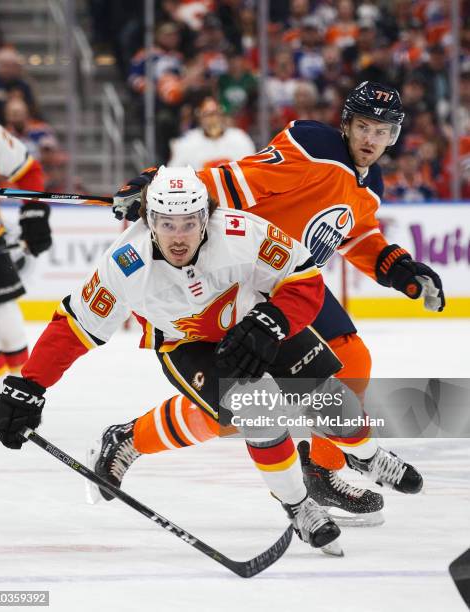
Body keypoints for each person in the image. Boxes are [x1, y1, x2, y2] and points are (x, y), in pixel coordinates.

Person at [0, 166, 422, 553]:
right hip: (187, 342)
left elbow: (304, 278)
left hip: (254, 322)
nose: (179, 236)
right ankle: (299, 506)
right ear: (149, 222)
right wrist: (26, 387)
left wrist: (272, 321)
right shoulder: (125, 263)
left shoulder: (239, 231)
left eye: (189, 223)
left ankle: (367, 454)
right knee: (260, 414)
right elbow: (73, 327)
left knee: (327, 396)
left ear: (206, 218)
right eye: (166, 224)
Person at [110, 81, 442, 515]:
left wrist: (397, 267)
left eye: (382, 132)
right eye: (363, 127)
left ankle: (321, 471)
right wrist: (161, 185)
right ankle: (130, 439)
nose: (370, 140)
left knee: (352, 360)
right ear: (346, 124)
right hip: (245, 282)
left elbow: (352, 230)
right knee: (236, 408)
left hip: (296, 284)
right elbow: (235, 180)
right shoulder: (313, 147)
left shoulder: (372, 180)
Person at [0, 114, 51, 399]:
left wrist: (34, 214)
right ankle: (2, 408)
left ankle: (25, 400)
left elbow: (28, 171)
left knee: (10, 326)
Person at [167, 97, 255, 170]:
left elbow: (251, 169)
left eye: (215, 114)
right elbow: (173, 171)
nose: (212, 119)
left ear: (222, 115)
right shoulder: (187, 142)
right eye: (207, 115)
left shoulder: (239, 138)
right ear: (200, 117)